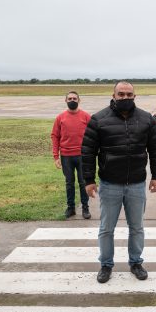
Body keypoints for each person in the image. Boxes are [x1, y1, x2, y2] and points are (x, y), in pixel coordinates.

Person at [82, 81, 156, 284]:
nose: (125, 98)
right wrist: (89, 180)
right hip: (110, 184)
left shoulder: (147, 120)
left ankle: (135, 262)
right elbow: (88, 152)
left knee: (136, 227)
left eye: (129, 94)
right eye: (121, 94)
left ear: (134, 96)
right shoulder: (99, 119)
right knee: (106, 228)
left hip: (136, 183)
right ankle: (106, 265)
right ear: (114, 95)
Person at [51, 91, 92, 219]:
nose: (72, 100)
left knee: (83, 182)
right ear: (66, 101)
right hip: (66, 156)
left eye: (74, 98)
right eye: (70, 98)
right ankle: (71, 208)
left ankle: (85, 208)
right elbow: (55, 136)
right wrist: (56, 156)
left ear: (79, 100)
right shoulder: (60, 117)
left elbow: (93, 135)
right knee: (69, 183)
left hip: (82, 156)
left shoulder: (86, 116)